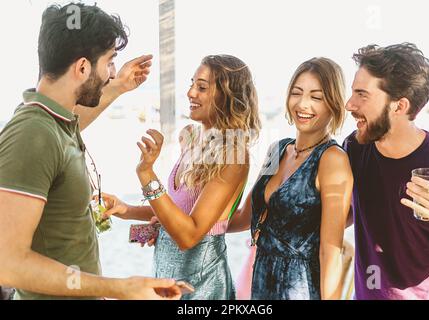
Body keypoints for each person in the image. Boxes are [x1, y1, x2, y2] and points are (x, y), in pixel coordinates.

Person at [0, 3, 181, 300]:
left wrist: (120, 86)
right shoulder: (32, 134)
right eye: (109, 62)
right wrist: (119, 288)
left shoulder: (55, 124)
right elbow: (6, 263)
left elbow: (65, 132)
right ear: (83, 67)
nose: (111, 73)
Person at [101, 54, 261, 299]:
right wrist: (127, 210)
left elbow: (189, 234)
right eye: (192, 84)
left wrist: (146, 173)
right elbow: (176, 212)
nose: (190, 93)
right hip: (166, 279)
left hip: (202, 288)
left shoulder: (234, 155)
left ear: (227, 96)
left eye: (202, 87)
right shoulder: (191, 138)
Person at [227, 57, 353, 300]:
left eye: (316, 97)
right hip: (261, 279)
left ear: (333, 103)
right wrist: (190, 225)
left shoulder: (332, 160)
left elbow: (330, 252)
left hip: (301, 287)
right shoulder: (277, 149)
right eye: (297, 93)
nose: (303, 104)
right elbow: (245, 217)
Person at [343, 43, 429, 300]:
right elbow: (340, 215)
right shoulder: (354, 149)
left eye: (362, 95)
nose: (349, 104)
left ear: (399, 106)